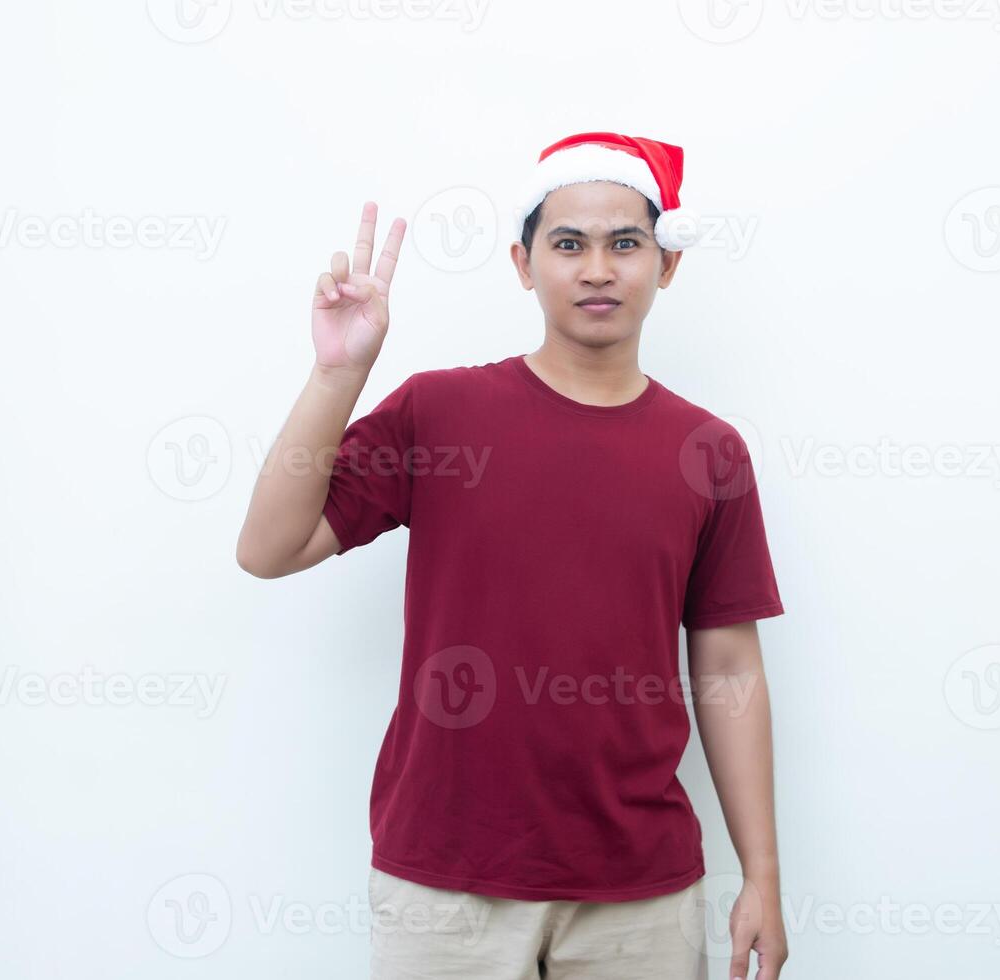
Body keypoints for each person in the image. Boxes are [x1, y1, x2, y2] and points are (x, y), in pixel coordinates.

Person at [236, 132, 789, 980]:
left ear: (665, 265)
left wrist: (762, 876)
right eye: (568, 244)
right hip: (445, 885)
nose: (597, 268)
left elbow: (727, 664)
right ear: (523, 264)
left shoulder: (708, 451)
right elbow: (269, 548)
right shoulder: (441, 412)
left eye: (625, 243)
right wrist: (336, 375)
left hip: (639, 893)